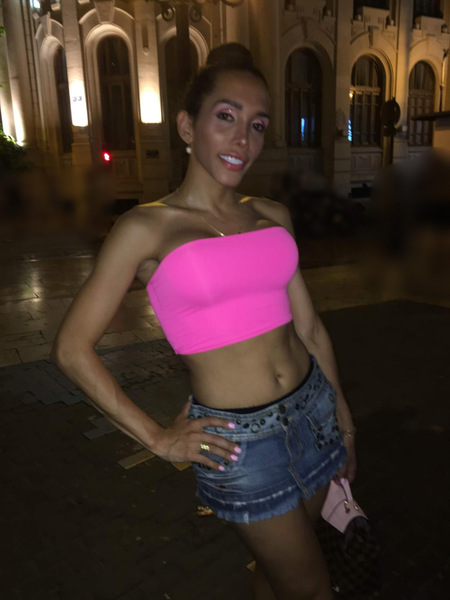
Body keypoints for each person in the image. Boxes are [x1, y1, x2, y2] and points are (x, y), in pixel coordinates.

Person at [53, 43, 357, 600]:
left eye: (257, 124)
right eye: (226, 117)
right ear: (187, 126)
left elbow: (310, 330)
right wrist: (157, 438)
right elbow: (72, 349)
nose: (244, 139)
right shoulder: (146, 229)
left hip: (315, 413)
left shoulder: (271, 215)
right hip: (241, 445)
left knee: (279, 575)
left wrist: (343, 417)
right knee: (312, 587)